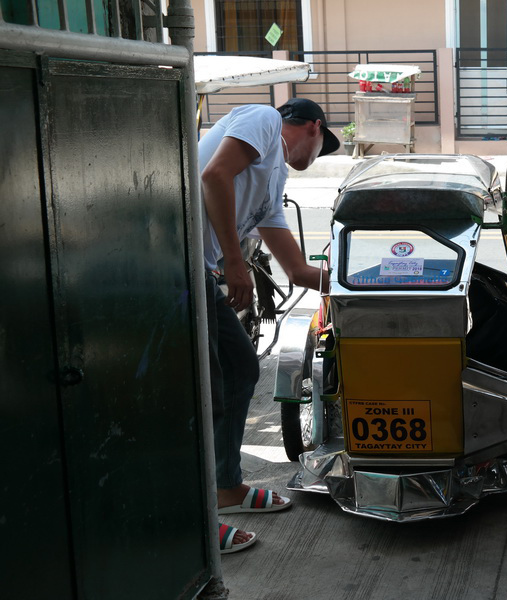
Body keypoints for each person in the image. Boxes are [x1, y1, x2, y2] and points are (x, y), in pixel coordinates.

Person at [199, 98, 339, 554]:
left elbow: (298, 271)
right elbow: (213, 175)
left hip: (197, 271)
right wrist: (235, 263)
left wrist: (360, 283)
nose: (315, 160)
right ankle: (191, 522)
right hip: (173, 260)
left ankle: (226, 487)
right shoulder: (264, 120)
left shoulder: (272, 184)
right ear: (314, 129)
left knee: (239, 369)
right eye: (322, 148)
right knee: (200, 388)